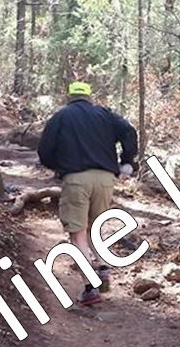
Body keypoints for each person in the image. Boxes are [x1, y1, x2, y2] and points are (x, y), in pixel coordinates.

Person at [37, 81, 138, 306]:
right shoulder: (105, 114)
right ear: (89, 96)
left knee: (77, 235)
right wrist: (127, 161)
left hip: (76, 179)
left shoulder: (61, 117)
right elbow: (129, 131)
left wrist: (58, 166)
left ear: (70, 96)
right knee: (94, 229)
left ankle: (90, 287)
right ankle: (101, 268)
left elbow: (44, 151)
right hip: (105, 179)